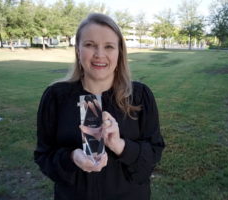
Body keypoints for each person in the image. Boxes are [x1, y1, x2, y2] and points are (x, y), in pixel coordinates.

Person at [34, 13, 165, 200]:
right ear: (78, 50)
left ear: (119, 53)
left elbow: (154, 153)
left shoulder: (140, 96)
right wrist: (72, 158)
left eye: (109, 46)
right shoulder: (56, 97)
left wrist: (120, 146)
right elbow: (44, 156)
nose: (99, 54)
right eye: (89, 45)